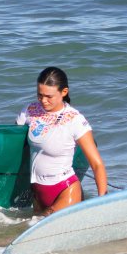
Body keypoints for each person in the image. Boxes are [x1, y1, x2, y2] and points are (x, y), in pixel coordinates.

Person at [16, 66, 108, 215]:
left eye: (49, 96)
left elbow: (97, 164)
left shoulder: (74, 120)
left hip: (65, 189)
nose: (43, 101)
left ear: (64, 92)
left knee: (43, 227)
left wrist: (103, 201)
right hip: (37, 191)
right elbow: (14, 144)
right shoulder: (30, 111)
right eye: (40, 95)